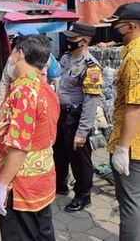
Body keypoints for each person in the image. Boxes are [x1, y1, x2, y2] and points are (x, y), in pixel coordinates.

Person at [0, 35, 59, 240]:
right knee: (42, 232)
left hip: (20, 184)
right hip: (41, 177)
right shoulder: (44, 87)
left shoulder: (24, 92)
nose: (9, 59)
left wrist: (1, 186)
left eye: (12, 53)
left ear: (19, 54)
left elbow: (19, 146)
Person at [53, 22, 102, 213]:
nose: (68, 41)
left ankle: (83, 196)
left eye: (72, 39)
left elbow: (90, 103)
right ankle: (60, 184)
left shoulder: (91, 67)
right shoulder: (66, 57)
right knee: (60, 153)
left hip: (76, 117)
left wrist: (82, 132)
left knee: (79, 159)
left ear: (84, 41)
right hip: (61, 114)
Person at [102, 2, 140, 241]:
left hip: (134, 145)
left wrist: (122, 148)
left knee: (130, 205)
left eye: (117, 27)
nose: (115, 31)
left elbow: (134, 106)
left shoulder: (135, 58)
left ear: (131, 26)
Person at [0, 26, 61, 108]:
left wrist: (54, 102)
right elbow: (5, 81)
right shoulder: (14, 57)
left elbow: (56, 80)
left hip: (38, 101)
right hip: (16, 98)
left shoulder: (48, 58)